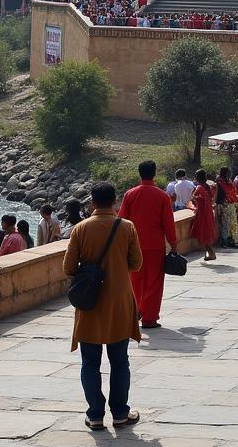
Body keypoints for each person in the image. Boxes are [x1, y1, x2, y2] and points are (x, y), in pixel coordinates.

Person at [63, 182, 142, 430]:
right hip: (118, 302)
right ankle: (120, 412)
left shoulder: (80, 229)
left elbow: (68, 268)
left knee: (90, 362)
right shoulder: (127, 227)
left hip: (90, 304)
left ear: (92, 203)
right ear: (115, 201)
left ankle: (95, 413)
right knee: (120, 360)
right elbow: (137, 263)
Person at [118, 160, 179, 329]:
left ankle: (133, 312)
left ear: (140, 173)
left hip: (133, 245)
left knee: (134, 280)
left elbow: (122, 220)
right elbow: (168, 223)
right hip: (155, 246)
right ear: (154, 173)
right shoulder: (162, 196)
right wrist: (173, 244)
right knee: (154, 282)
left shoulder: (130, 194)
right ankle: (149, 318)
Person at [188, 169, 217, 261]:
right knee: (206, 232)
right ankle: (210, 253)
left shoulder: (199, 188)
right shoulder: (207, 186)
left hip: (202, 212)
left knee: (204, 233)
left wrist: (192, 203)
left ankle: (211, 253)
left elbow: (196, 200)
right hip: (208, 211)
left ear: (197, 178)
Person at [214, 166, 238, 248]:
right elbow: (234, 194)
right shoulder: (229, 182)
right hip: (230, 204)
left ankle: (225, 241)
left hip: (224, 205)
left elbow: (217, 196)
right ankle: (234, 241)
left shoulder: (219, 182)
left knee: (225, 223)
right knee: (233, 223)